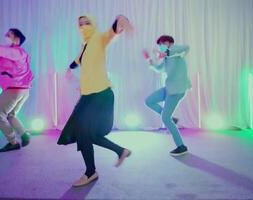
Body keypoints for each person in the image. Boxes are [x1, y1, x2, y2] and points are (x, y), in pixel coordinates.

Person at [58, 15, 133, 187]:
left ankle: (91, 172)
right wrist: (69, 69)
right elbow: (78, 59)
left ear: (94, 24)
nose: (83, 26)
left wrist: (122, 21)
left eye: (87, 23)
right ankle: (119, 152)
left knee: (83, 132)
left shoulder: (99, 38)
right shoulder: (85, 44)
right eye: (80, 24)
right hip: (88, 96)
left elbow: (113, 32)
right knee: (86, 134)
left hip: (100, 94)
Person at [142, 35, 191, 156]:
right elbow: (159, 69)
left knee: (165, 119)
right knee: (149, 101)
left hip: (177, 90)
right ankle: (171, 118)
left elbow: (186, 47)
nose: (160, 47)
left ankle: (181, 146)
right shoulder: (167, 58)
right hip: (168, 88)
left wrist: (167, 52)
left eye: (162, 44)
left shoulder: (178, 53)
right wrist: (149, 60)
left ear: (169, 43)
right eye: (159, 45)